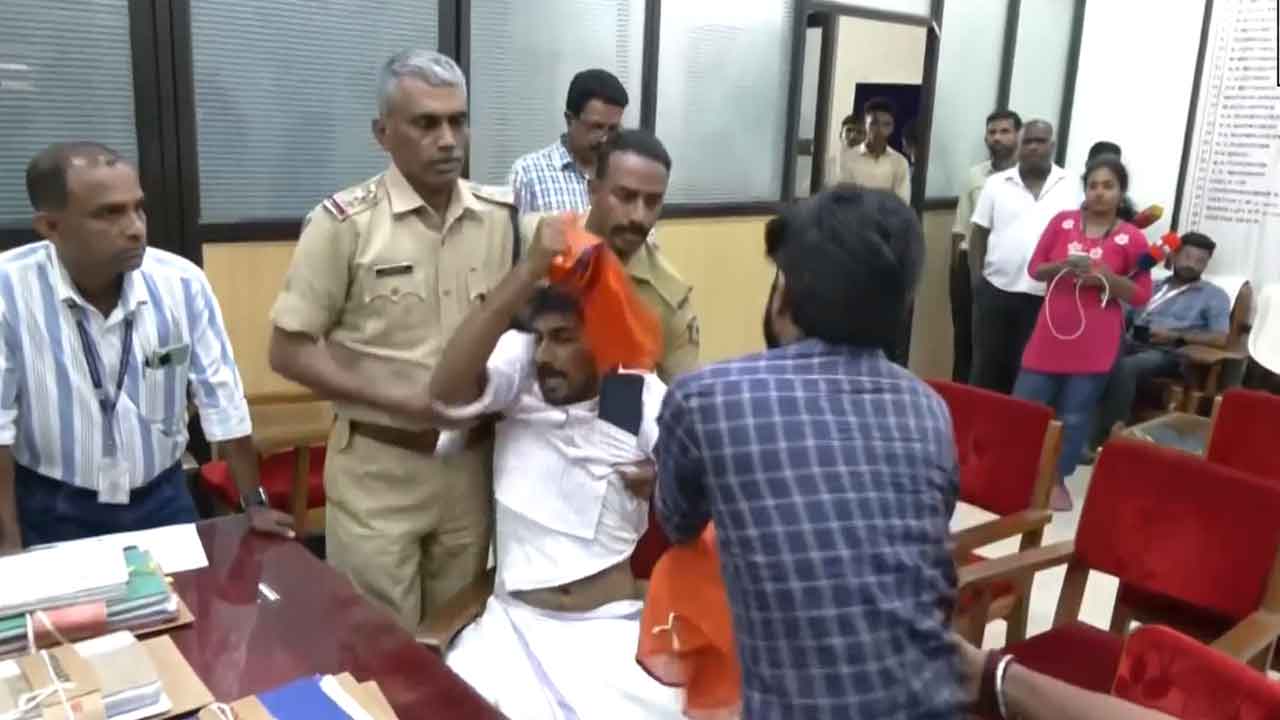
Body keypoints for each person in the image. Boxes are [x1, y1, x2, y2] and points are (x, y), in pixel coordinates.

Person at [655, 186, 964, 717]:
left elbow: (678, 522)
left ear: (786, 294)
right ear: (902, 305)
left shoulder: (707, 397)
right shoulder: (928, 408)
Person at [267, 50, 516, 633]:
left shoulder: (501, 218)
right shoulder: (345, 224)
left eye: (457, 120)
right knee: (378, 645)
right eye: (426, 124)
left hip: (471, 469)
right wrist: (404, 401)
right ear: (383, 133)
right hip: (380, 468)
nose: (448, 139)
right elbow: (288, 350)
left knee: (457, 634)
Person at [430, 216, 683, 718]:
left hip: (611, 631)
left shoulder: (628, 396)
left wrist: (667, 484)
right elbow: (443, 393)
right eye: (541, 338)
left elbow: (714, 490)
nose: (546, 354)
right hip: (514, 631)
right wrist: (527, 271)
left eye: (564, 338)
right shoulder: (519, 379)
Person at [0, 142, 293, 551]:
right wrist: (8, 546)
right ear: (50, 226)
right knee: (77, 616)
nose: (136, 227)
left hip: (163, 496)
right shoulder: (8, 291)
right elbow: (1, 424)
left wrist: (253, 503)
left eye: (138, 208)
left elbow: (221, 397)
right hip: (54, 505)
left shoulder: (181, 283)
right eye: (110, 213)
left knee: (186, 612)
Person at [1013, 155, 1152, 511]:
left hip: (1095, 340)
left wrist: (1107, 277)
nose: (1100, 193)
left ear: (1121, 193)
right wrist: (1062, 266)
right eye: (1093, 185)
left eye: (1109, 186)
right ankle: (1014, 473)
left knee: (1075, 415)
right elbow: (1034, 269)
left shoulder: (1131, 237)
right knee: (1025, 406)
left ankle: (1056, 479)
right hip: (1050, 333)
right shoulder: (1062, 223)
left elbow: (1140, 294)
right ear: (1085, 190)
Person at [521, 129, 700, 382]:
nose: (639, 216)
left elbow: (682, 396)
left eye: (652, 201)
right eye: (626, 197)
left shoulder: (669, 297)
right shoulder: (535, 241)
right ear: (593, 190)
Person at [969, 119, 1083, 394]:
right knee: (987, 368)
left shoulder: (1072, 185)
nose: (1033, 147)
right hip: (997, 290)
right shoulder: (996, 184)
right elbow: (978, 235)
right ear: (1019, 145)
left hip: (1046, 295)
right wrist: (977, 281)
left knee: (1030, 372)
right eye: (1027, 141)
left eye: (1040, 141)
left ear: (1052, 146)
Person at [1093, 232, 1230, 445]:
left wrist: (1177, 336)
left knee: (1127, 367)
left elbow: (1221, 338)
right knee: (1096, 353)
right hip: (1132, 341)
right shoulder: (1152, 285)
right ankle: (1080, 425)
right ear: (1173, 256)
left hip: (1169, 353)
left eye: (1200, 261)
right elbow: (1122, 315)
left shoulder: (1213, 295)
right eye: (1187, 256)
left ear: (1206, 265)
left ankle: (1107, 437)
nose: (1191, 264)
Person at [951, 109, 1021, 383]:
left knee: (996, 346)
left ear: (1018, 135)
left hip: (1007, 271)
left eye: (1005, 132)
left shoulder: (1028, 179)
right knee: (964, 340)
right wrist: (956, 273)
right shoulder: (975, 175)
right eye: (992, 132)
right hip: (971, 263)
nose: (997, 138)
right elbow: (960, 227)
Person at [508, 69, 628, 214]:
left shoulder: (624, 173)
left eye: (613, 128)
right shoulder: (528, 174)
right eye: (597, 127)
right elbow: (513, 236)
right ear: (570, 119)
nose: (605, 138)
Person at [833, 97, 911, 204]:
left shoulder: (900, 162)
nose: (879, 130)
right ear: (865, 125)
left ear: (892, 128)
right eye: (874, 123)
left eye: (886, 125)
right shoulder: (848, 159)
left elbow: (902, 203)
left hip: (889, 220)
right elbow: (846, 202)